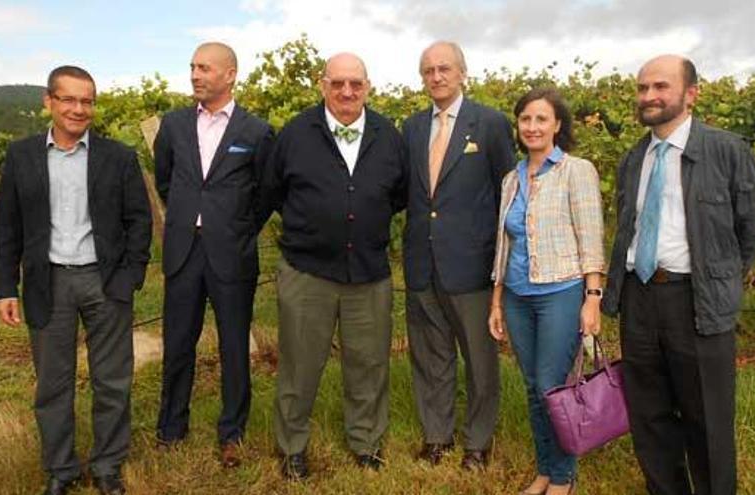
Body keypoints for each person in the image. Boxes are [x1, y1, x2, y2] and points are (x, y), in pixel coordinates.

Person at [602, 55, 755, 495]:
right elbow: (627, 226)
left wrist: (718, 281)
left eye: (660, 86)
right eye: (642, 88)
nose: (649, 96)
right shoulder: (634, 158)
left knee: (707, 417)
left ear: (690, 93)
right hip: (640, 298)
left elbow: (750, 231)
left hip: (695, 299)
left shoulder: (727, 151)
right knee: (650, 415)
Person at [0, 65, 152, 495]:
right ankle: (61, 470)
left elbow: (140, 222)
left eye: (87, 101)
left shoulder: (117, 157)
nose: (79, 109)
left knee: (112, 381)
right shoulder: (22, 155)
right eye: (69, 99)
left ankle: (107, 467)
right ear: (49, 102)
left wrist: (129, 278)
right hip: (49, 284)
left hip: (105, 283)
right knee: (53, 385)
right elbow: (7, 226)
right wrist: (6, 287)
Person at [269, 52, 407, 479]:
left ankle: (365, 442)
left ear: (368, 86)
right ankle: (292, 447)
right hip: (307, 272)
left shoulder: (389, 135)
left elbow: (399, 194)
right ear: (322, 84)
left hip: (368, 272)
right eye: (337, 83)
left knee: (368, 364)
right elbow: (273, 191)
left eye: (356, 84)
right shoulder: (294, 133)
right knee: (299, 364)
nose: (346, 92)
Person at [154, 42, 275, 468]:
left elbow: (265, 194)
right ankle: (171, 428)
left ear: (230, 74)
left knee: (234, 347)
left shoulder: (256, 132)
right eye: (191, 67)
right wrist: (193, 219)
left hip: (233, 256)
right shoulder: (173, 126)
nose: (195, 75)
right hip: (184, 252)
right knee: (178, 344)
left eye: (204, 68)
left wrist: (235, 228)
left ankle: (232, 432)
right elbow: (166, 182)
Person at [402, 40, 515, 471]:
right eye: (428, 70)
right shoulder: (411, 128)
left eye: (444, 68)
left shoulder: (488, 123)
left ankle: (477, 443)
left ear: (463, 72)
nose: (436, 76)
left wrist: (501, 266)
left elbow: (508, 194)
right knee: (431, 357)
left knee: (479, 360)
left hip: (472, 264)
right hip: (421, 262)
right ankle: (437, 437)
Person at [488, 88, 605, 495]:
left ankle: (563, 478)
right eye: (525, 119)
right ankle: (545, 470)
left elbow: (591, 238)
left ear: (557, 124)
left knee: (552, 386)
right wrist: (497, 300)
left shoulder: (577, 170)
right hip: (518, 296)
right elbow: (504, 244)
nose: (532, 127)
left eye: (541, 119)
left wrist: (592, 299)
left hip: (561, 291)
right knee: (533, 387)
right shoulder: (511, 179)